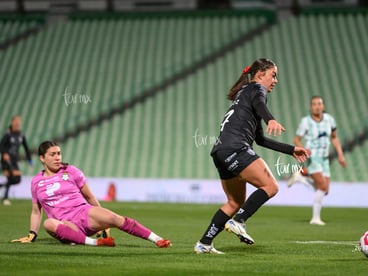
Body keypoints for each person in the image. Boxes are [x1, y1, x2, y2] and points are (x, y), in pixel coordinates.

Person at [194, 58, 310, 254]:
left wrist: (291, 150)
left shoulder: (244, 94)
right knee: (271, 187)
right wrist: (270, 119)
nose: (276, 80)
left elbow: (261, 140)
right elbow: (260, 102)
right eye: (273, 75)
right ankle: (239, 221)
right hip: (235, 148)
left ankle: (204, 243)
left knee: (234, 202)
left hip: (220, 151)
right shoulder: (256, 89)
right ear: (259, 75)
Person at [11, 141, 171, 248]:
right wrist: (32, 234)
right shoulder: (36, 182)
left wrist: (105, 224)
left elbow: (89, 197)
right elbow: (36, 211)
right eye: (52, 154)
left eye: (59, 153)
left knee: (115, 218)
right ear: (42, 158)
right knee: (49, 224)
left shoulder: (71, 171)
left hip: (84, 212)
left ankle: (157, 239)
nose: (57, 157)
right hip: (65, 223)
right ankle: (95, 242)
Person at [287, 96, 346, 225]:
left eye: (319, 104)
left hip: (325, 158)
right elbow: (296, 139)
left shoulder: (329, 120)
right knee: (322, 187)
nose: (317, 106)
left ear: (323, 106)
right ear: (311, 107)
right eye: (314, 104)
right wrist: (303, 149)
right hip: (313, 157)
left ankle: (301, 178)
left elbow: (334, 138)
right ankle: (315, 218)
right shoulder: (306, 122)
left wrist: (340, 155)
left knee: (325, 190)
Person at [0, 115, 32, 205]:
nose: (18, 123)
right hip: (6, 160)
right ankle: (5, 198)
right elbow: (1, 146)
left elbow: (26, 147)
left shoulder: (21, 135)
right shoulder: (8, 134)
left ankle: (3, 190)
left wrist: (29, 159)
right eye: (16, 121)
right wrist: (4, 153)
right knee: (13, 177)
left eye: (19, 121)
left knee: (16, 179)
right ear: (12, 122)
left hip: (14, 160)